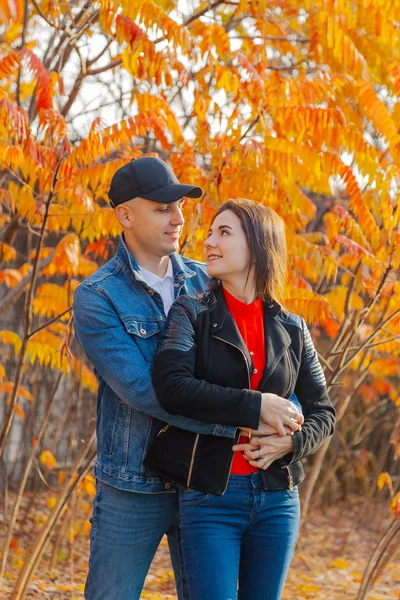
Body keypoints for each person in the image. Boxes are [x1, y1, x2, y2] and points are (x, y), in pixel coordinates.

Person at [146, 199, 336, 600]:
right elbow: (172, 386)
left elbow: (323, 411)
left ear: (258, 245)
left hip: (278, 500)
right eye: (211, 231)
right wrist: (256, 405)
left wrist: (292, 443)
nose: (208, 241)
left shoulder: (293, 328)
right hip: (211, 498)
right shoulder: (190, 313)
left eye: (224, 232)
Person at [73, 156, 243, 600]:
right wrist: (240, 423)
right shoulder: (97, 297)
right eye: (162, 207)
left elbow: (254, 363)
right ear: (125, 215)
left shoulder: (210, 281)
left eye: (180, 206)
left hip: (204, 482)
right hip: (133, 487)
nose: (179, 218)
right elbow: (146, 392)